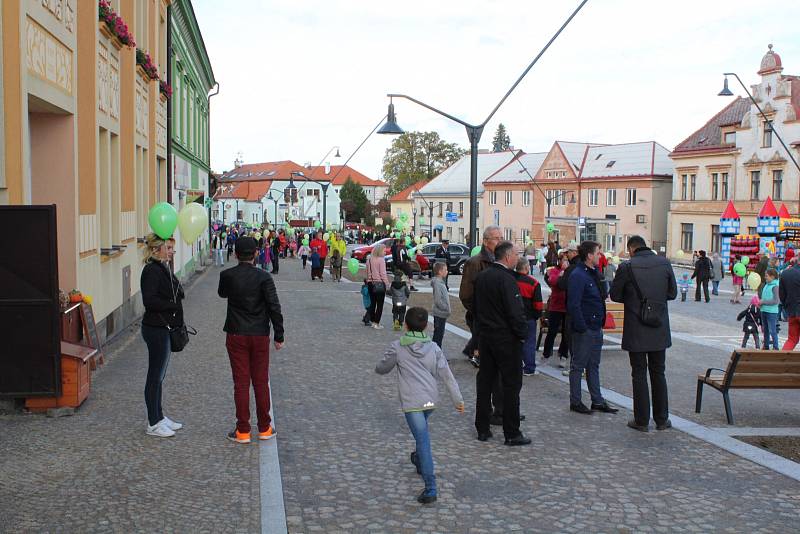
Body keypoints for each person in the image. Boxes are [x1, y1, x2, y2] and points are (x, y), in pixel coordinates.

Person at [375, 307, 464, 505]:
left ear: (405, 324)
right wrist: (458, 400)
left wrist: (381, 366)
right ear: (426, 326)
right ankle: (417, 458)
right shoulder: (434, 348)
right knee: (420, 432)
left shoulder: (398, 347)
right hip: (430, 401)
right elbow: (447, 376)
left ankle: (431, 487)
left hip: (412, 403)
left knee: (423, 439)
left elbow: (382, 368)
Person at [218, 237, 285, 444]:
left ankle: (243, 431)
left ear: (236, 254)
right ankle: (264, 428)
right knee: (260, 381)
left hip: (236, 334)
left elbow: (222, 294)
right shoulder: (264, 278)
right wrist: (279, 335)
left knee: (241, 383)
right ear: (256, 253)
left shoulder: (227, 275)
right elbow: (274, 305)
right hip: (259, 334)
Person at [610, 235, 676, 432]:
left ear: (631, 249)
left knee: (638, 373)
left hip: (636, 326)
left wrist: (634, 301)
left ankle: (641, 420)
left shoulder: (626, 267)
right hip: (658, 326)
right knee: (659, 372)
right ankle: (662, 419)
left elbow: (615, 295)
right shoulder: (664, 264)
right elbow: (672, 293)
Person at [473, 241, 531, 446]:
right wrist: (522, 334)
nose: (517, 258)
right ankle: (512, 432)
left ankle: (482, 427)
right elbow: (515, 311)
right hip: (506, 339)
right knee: (511, 385)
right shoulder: (506, 279)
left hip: (486, 337)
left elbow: (475, 308)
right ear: (507, 257)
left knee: (485, 382)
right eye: (515, 254)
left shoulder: (482, 277)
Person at [140, 234, 184, 438]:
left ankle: (159, 416)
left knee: (160, 375)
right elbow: (150, 301)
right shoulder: (151, 271)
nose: (172, 251)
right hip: (155, 329)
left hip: (163, 328)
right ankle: (153, 422)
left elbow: (176, 292)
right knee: (155, 376)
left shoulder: (163, 268)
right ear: (157, 250)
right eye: (168, 248)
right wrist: (171, 305)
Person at [567, 241, 618, 416]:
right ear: (589, 255)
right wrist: (582, 326)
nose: (600, 256)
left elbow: (601, 296)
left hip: (596, 325)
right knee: (578, 366)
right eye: (597, 253)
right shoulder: (578, 275)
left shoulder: (593, 273)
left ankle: (597, 400)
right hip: (586, 327)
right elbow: (573, 304)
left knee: (593, 365)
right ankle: (576, 401)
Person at [460, 225, 502, 366]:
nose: (500, 242)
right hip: (480, 315)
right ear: (485, 241)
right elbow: (466, 294)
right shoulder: (475, 263)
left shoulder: (500, 262)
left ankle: (473, 351)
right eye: (496, 238)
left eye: (501, 238)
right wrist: (479, 311)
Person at [542, 251, 570, 368]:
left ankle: (563, 355)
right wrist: (561, 275)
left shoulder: (571, 271)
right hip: (556, 306)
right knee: (552, 332)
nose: (565, 262)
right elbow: (551, 281)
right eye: (563, 260)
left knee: (566, 333)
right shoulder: (554, 271)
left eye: (567, 260)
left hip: (567, 306)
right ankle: (546, 354)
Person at [515, 258, 543, 376]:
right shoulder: (534, 283)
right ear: (527, 268)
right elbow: (538, 304)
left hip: (514, 316)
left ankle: (516, 364)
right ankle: (529, 367)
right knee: (529, 342)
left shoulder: (510, 280)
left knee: (515, 341)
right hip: (529, 317)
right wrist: (537, 315)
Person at [366, 244, 391, 329]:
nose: (385, 252)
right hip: (379, 284)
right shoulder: (381, 260)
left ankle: (373, 321)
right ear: (380, 251)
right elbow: (383, 274)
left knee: (372, 303)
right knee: (380, 305)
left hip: (370, 283)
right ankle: (377, 323)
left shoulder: (369, 259)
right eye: (384, 251)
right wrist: (387, 284)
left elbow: (367, 271)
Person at [780, 259, 800, 349]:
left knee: (792, 339)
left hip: (791, 310)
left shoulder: (785, 273)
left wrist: (786, 306)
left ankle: (782, 361)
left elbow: (781, 294)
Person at [431, 262, 451, 348]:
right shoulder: (438, 284)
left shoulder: (440, 283)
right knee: (438, 336)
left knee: (439, 335)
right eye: (445, 270)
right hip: (440, 313)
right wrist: (446, 308)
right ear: (440, 271)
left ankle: (436, 353)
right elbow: (438, 300)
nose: (447, 271)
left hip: (441, 313)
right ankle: (436, 354)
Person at [759, 268, 780, 350]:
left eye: (767, 276)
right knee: (765, 330)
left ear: (772, 276)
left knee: (772, 330)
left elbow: (776, 301)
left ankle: (776, 347)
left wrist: (763, 302)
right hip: (764, 310)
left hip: (771, 312)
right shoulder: (766, 285)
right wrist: (760, 302)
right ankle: (766, 346)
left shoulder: (775, 287)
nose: (765, 277)